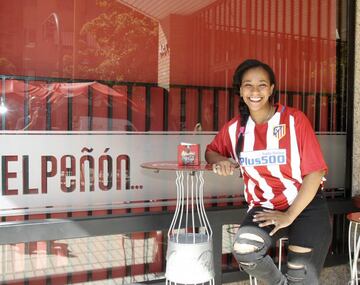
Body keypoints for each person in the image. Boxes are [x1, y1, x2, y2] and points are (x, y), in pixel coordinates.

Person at [205, 59, 331, 285]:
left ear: (272, 89)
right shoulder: (235, 129)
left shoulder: (294, 121)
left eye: (262, 84)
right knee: (245, 251)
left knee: (302, 278)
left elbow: (315, 172)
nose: (255, 91)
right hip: (264, 207)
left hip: (305, 206)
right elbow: (211, 151)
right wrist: (221, 160)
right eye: (248, 85)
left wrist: (290, 215)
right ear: (240, 90)